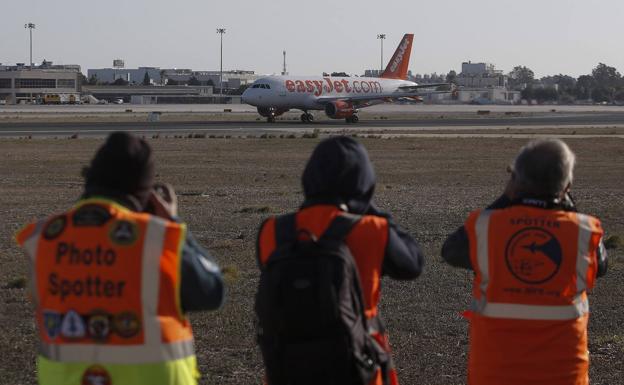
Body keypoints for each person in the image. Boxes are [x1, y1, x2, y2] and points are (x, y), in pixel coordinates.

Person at [15, 132, 224, 385]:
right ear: (144, 193)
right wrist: (172, 224)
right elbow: (211, 291)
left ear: (90, 179)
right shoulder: (152, 238)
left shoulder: (46, 237)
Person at [256, 136, 425, 385]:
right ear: (363, 182)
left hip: (287, 369)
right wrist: (368, 204)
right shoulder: (372, 229)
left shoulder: (272, 231)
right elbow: (413, 264)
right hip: (357, 366)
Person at [442, 138, 607, 385]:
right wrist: (567, 203)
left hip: (495, 375)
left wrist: (507, 198)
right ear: (567, 186)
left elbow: (451, 251)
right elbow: (601, 265)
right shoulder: (583, 231)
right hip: (564, 376)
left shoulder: (486, 227)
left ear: (514, 182)